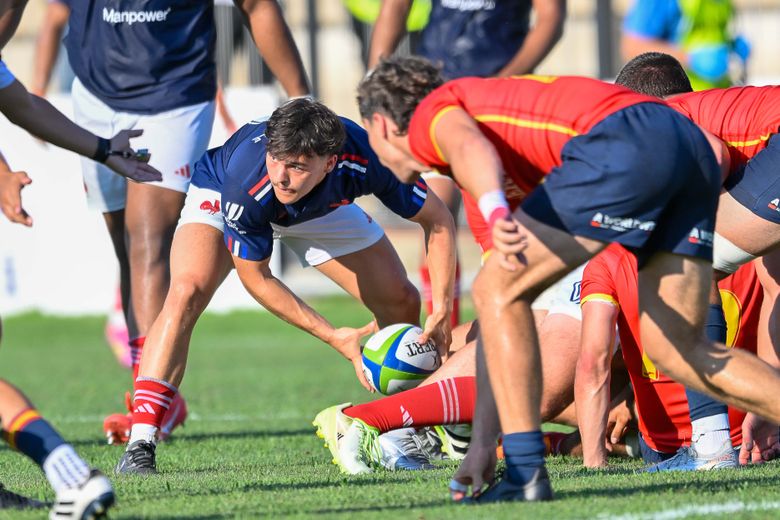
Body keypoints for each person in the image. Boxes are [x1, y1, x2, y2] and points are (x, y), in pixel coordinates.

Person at [357, 56, 780, 504]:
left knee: (499, 287)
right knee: (671, 344)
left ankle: (525, 472)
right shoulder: (514, 151)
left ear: (381, 123)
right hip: (661, 153)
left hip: (637, 151)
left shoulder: (435, 114)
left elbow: (468, 148)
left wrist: (495, 206)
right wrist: (483, 442)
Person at [113, 98, 457, 475]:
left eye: (296, 165)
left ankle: (402, 430)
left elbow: (437, 219)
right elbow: (256, 278)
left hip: (322, 205)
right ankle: (141, 442)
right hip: (223, 189)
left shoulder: (370, 158)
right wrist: (333, 335)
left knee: (402, 300)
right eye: (277, 158)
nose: (282, 174)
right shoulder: (251, 179)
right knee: (186, 291)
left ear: (330, 162)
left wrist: (439, 308)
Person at [43, 0, 311, 444]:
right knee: (127, 253)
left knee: (147, 240)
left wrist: (301, 96)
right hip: (94, 96)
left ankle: (150, 408)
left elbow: (256, 5)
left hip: (175, 97)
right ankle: (153, 385)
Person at [614, 51, 780, 466]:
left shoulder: (652, 119)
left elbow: (714, 154)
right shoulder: (728, 114)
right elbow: (776, 288)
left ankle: (710, 444)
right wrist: (765, 408)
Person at [367, 0, 567, 327]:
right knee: (438, 209)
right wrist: (375, 76)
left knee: (510, 213)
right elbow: (395, 7)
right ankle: (442, 327)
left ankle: (529, 319)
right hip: (435, 96)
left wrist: (504, 80)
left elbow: (550, 19)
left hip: (501, 100)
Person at [576, 244, 765, 469]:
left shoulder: (609, 258)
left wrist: (594, 462)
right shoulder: (754, 248)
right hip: (749, 437)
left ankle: (569, 443)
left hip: (662, 445)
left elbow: (593, 361)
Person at [621, 0, 749, 90]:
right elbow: (632, 46)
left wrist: (732, 46)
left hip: (718, 100)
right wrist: (690, 59)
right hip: (678, 104)